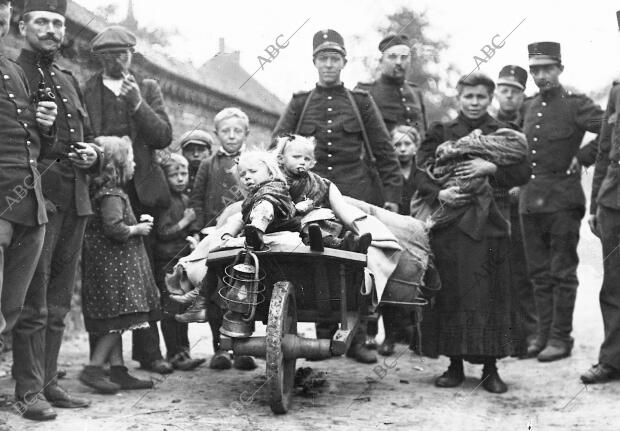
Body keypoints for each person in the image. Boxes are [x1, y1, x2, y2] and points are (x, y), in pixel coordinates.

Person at [415, 73, 530, 393]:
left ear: (490, 98)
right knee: (452, 291)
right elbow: (418, 172)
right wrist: (439, 193)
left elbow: (524, 171)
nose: (475, 103)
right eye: (469, 97)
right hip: (451, 224)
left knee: (491, 294)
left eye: (481, 97)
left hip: (491, 224)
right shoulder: (442, 132)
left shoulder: (504, 133)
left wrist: (491, 168)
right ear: (459, 97)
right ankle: (454, 365)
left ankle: (490, 368)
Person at [12, 0, 101, 416]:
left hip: (76, 200)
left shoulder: (69, 79)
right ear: (22, 25)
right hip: (36, 201)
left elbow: (93, 136)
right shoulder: (13, 74)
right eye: (42, 21)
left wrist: (93, 156)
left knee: (60, 301)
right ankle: (28, 390)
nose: (51, 29)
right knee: (34, 302)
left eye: (58, 23)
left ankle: (49, 382)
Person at [84, 25, 174, 374]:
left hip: (142, 192)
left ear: (131, 55)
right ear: (100, 59)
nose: (117, 61)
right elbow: (82, 135)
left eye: (122, 54)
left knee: (145, 273)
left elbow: (163, 136)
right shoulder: (87, 89)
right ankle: (104, 360)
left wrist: (137, 105)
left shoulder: (148, 88)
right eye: (109, 56)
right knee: (101, 273)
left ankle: (149, 353)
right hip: (103, 192)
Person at [520, 42, 604, 362]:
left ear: (560, 69)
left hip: (563, 200)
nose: (541, 75)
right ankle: (541, 335)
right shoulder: (527, 106)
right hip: (530, 199)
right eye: (535, 70)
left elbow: (610, 131)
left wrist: (582, 156)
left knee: (562, 272)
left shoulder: (576, 103)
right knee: (538, 272)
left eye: (547, 68)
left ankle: (560, 337)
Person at [177, 150, 298, 371]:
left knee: (227, 253)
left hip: (275, 240)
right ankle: (202, 298)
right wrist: (227, 236)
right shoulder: (251, 198)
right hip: (260, 242)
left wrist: (255, 227)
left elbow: (266, 208)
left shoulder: (273, 189)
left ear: (270, 172)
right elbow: (240, 218)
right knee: (219, 256)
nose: (247, 177)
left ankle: (202, 298)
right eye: (242, 175)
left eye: (253, 171)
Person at [0, 0, 58, 421]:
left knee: (14, 310)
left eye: (0, 24)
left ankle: (27, 393)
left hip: (29, 206)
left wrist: (46, 124)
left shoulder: (15, 72)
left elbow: (36, 145)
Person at [272, 29, 402, 213]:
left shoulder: (361, 101)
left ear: (344, 63)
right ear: (314, 62)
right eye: (323, 59)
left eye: (335, 59)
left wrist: (392, 197)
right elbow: (275, 150)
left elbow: (384, 152)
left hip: (356, 196)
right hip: (307, 194)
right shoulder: (299, 103)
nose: (329, 65)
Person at [79, 136, 160, 394]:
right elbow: (113, 228)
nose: (135, 164)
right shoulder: (112, 194)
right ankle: (93, 368)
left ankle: (118, 370)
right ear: (119, 163)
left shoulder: (107, 191)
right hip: (115, 270)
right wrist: (137, 228)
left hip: (113, 267)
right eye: (132, 159)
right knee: (122, 319)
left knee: (115, 319)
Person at [583, 10, 620, 384]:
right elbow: (606, 151)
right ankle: (613, 361)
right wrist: (595, 206)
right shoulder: (618, 90)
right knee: (614, 285)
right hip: (614, 204)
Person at [493, 65, 537, 358]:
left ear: (523, 95)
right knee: (496, 270)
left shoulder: (532, 124)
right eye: (504, 90)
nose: (509, 97)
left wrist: (525, 186)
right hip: (493, 206)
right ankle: (499, 337)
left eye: (515, 91)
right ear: (497, 93)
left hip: (525, 208)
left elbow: (540, 163)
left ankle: (529, 335)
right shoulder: (487, 123)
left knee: (524, 271)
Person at [275, 134, 372, 253]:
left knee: (327, 221)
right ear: (281, 159)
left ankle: (352, 244)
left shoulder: (319, 183)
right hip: (284, 222)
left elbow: (340, 206)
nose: (302, 162)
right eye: (296, 157)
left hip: (312, 221)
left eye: (307, 159)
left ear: (312, 163)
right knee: (307, 225)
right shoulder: (275, 179)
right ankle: (336, 244)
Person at [154, 153, 205, 371]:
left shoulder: (185, 199)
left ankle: (184, 352)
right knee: (170, 308)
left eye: (184, 173)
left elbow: (192, 228)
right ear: (164, 178)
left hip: (182, 261)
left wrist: (194, 237)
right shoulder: (163, 202)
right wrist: (186, 221)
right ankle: (174, 353)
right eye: (174, 175)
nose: (180, 178)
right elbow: (163, 232)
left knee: (183, 305)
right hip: (167, 262)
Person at [377, 124, 420, 356]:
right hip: (391, 230)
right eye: (397, 145)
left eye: (407, 144)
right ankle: (390, 336)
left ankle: (415, 335)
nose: (402, 149)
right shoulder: (386, 174)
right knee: (391, 282)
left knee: (416, 281)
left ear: (415, 147)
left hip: (417, 232)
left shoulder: (422, 173)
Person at [189, 108, 248, 234]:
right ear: (216, 134)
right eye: (225, 131)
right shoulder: (207, 164)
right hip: (212, 229)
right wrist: (197, 230)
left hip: (244, 228)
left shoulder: (255, 162)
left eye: (238, 131)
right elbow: (197, 199)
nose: (231, 136)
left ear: (246, 133)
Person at [355, 34, 427, 134]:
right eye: (392, 57)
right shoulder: (366, 91)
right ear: (381, 61)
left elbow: (424, 131)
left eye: (404, 57)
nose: (398, 62)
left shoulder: (416, 92)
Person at [179, 129, 214, 195]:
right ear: (183, 153)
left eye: (201, 150)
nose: (196, 154)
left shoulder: (215, 173)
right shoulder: (176, 174)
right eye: (190, 150)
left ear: (210, 153)